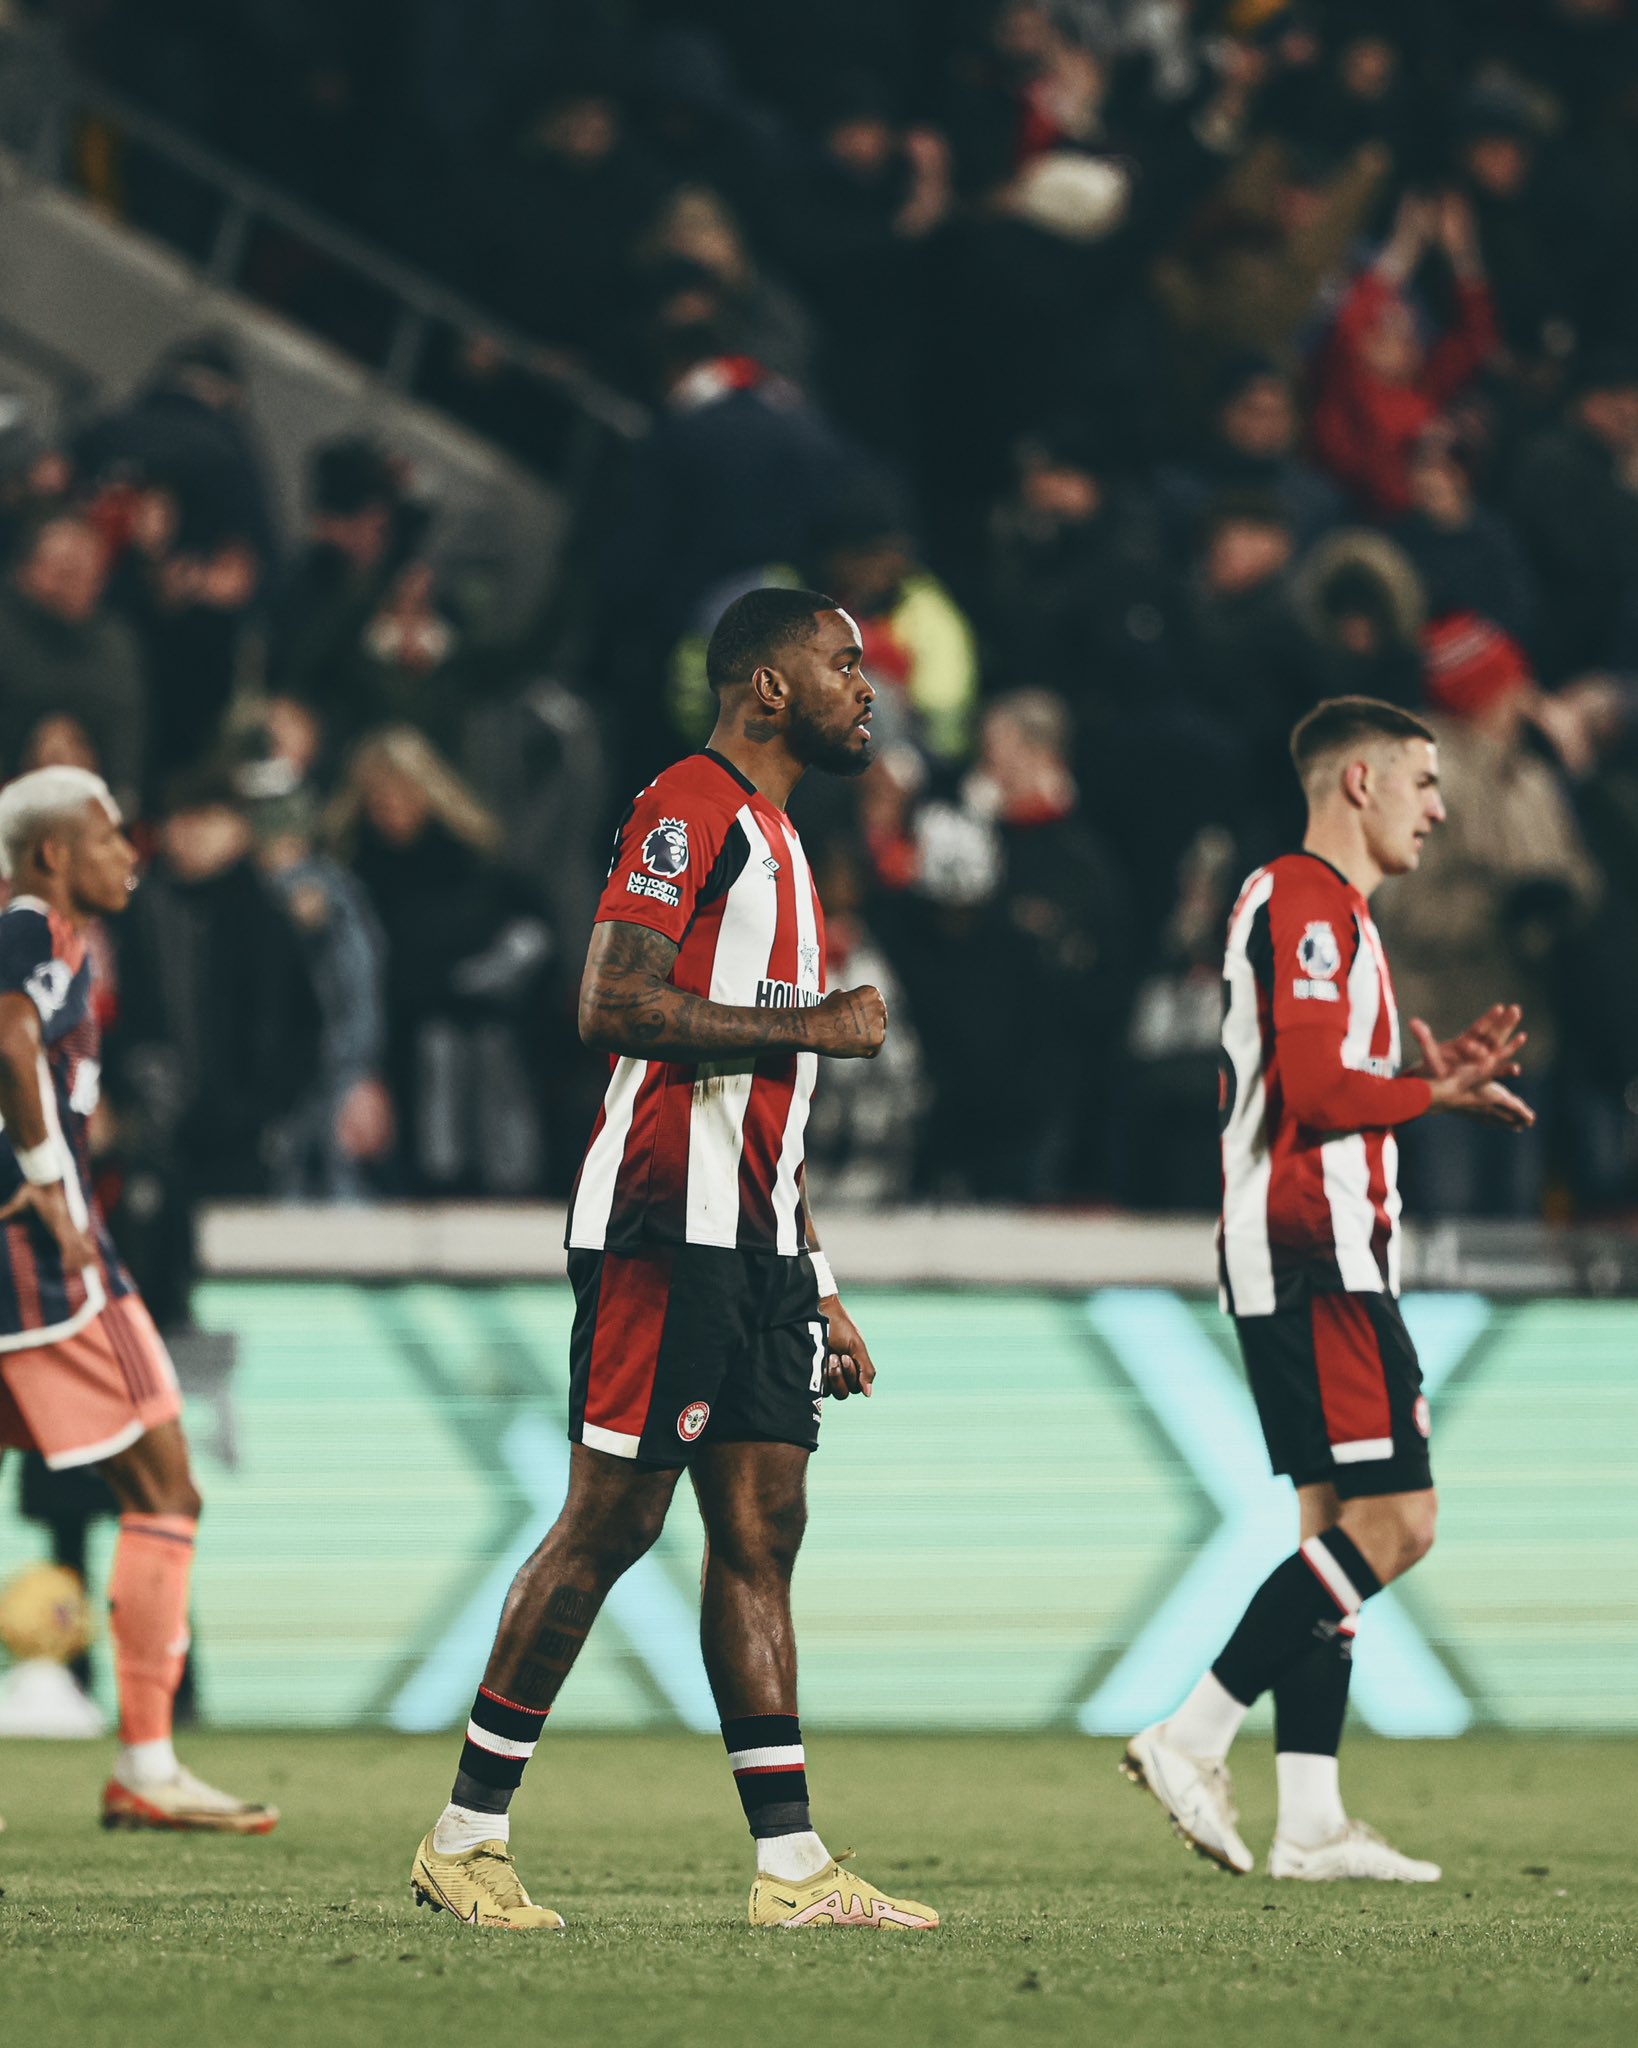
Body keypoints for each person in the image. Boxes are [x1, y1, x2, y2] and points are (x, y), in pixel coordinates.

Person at [408, 587, 938, 1933]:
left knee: (762, 1529)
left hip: (755, 1244)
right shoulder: (686, 807)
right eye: (843, 664)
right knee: (613, 1520)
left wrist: (814, 1276)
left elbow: (768, 1107)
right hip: (661, 1225)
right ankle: (465, 1837)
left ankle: (792, 1868)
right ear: (768, 686)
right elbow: (609, 1002)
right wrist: (813, 1025)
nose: (867, 688)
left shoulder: (786, 841)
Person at [1123, 697, 1531, 1882]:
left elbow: (1325, 1074)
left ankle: (1309, 1817)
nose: (1439, 808)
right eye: (1423, 781)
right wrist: (1428, 1095)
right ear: (1360, 780)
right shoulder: (1304, 899)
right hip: (1316, 1249)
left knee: (1331, 1532)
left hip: (1302, 1249)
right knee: (1400, 1522)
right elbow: (1310, 1089)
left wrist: (1413, 1077)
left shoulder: (1329, 909)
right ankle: (1191, 1733)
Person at [0, 766, 275, 1832]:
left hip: (43, 1251)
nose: (131, 851)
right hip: (47, 1266)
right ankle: (148, 1765)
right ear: (53, 853)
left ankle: (148, 1764)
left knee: (161, 1486)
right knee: (165, 1484)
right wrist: (50, 1178)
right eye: (110, 834)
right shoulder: (31, 926)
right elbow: (9, 1036)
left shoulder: (69, 939)